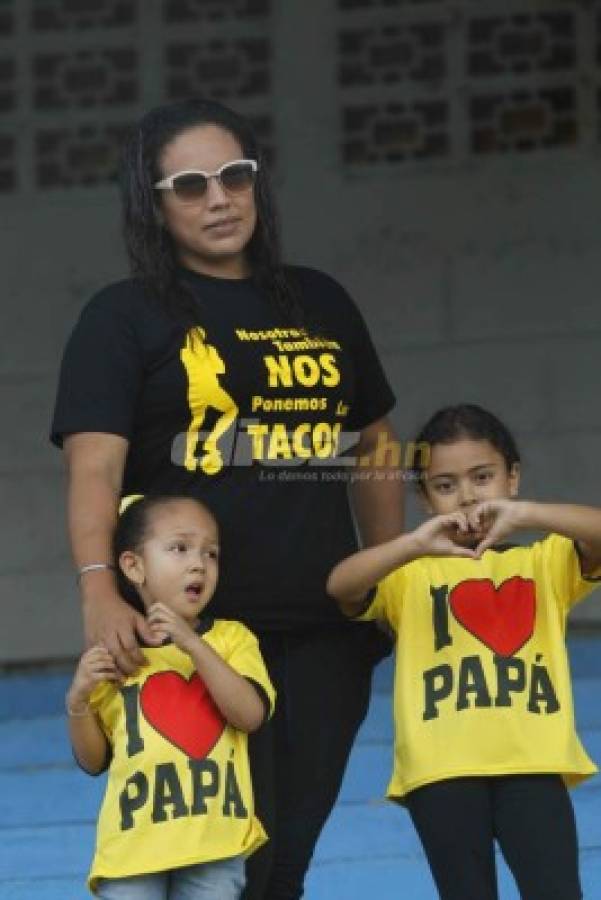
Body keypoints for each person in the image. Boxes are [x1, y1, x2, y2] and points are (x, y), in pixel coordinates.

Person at [51, 97, 403, 899]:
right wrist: (98, 587)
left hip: (322, 630)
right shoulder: (122, 317)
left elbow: (377, 446)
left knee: (283, 862)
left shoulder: (319, 301)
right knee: (218, 866)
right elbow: (94, 472)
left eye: (234, 175)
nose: (218, 197)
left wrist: (383, 581)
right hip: (194, 636)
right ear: (153, 202)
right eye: (189, 184)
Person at [327, 404, 601, 900]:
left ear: (512, 478)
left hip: (533, 765)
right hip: (441, 771)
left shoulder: (544, 561)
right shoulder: (409, 574)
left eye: (483, 477)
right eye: (446, 485)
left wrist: (528, 515)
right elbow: (341, 585)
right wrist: (411, 544)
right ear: (425, 498)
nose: (468, 495)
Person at [66, 494, 275, 898]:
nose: (199, 563)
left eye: (210, 554)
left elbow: (249, 715)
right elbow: (94, 761)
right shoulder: (119, 648)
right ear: (133, 566)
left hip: (215, 843)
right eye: (180, 548)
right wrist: (77, 702)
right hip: (132, 849)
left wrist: (192, 644)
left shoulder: (231, 639)